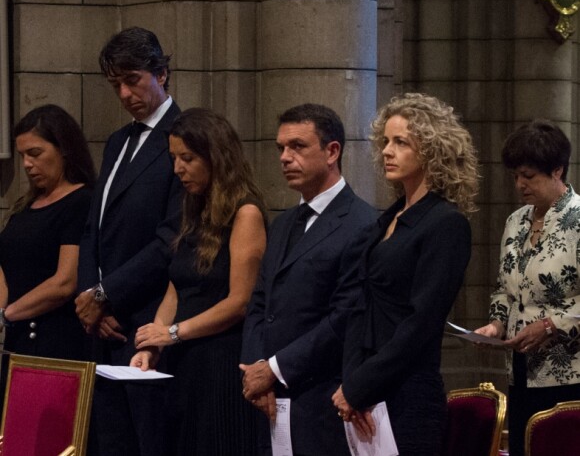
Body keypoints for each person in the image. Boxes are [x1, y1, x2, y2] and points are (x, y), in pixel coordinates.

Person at [333, 92, 479, 455]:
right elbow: (357, 308)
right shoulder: (386, 220)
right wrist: (351, 383)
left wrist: (358, 386)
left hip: (409, 395)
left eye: (401, 142)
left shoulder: (446, 224)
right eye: (385, 141)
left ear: (431, 150)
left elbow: (420, 324)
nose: (386, 150)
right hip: (365, 393)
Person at [240, 103, 376, 456]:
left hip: (319, 400)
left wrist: (273, 369)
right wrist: (256, 371)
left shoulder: (362, 224)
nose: (284, 157)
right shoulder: (284, 222)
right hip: (268, 399)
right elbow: (259, 303)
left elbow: (343, 316)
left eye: (297, 146)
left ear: (332, 152)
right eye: (280, 148)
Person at [130, 108, 267, 454]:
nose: (177, 169)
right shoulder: (195, 208)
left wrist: (173, 333)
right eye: (175, 158)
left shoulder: (245, 213)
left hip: (220, 365)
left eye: (187, 158)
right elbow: (177, 287)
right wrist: (153, 343)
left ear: (215, 156)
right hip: (185, 364)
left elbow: (240, 302)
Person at [75, 27, 182, 456]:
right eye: (115, 84)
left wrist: (106, 294)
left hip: (147, 318)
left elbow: (170, 238)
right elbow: (93, 229)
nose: (124, 94)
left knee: (150, 441)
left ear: (162, 73)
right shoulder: (118, 141)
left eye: (132, 80)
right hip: (103, 324)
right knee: (110, 440)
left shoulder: (185, 135)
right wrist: (90, 299)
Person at [474, 120, 580, 456]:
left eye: (529, 176)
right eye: (516, 175)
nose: (520, 184)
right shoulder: (516, 221)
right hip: (521, 371)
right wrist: (495, 323)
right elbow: (504, 290)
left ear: (557, 171)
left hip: (569, 377)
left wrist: (552, 325)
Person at [0, 104, 95, 360]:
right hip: (17, 338)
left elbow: (65, 282)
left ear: (63, 149)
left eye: (35, 153)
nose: (27, 164)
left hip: (55, 341)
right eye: (22, 156)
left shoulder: (80, 201)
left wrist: (7, 314)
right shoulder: (25, 206)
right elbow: (6, 267)